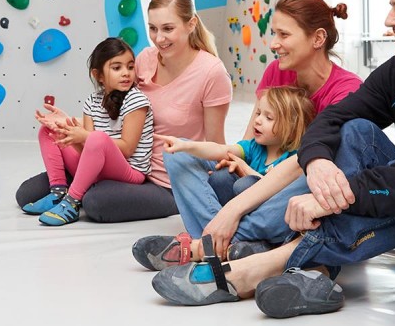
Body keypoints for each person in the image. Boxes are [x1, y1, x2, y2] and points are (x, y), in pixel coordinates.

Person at [150, 0, 395, 315]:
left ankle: (260, 261)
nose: (389, 20)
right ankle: (301, 266)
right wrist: (317, 162)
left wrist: (335, 199)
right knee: (356, 132)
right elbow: (333, 119)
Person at [133, 0, 362, 267]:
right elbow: (251, 136)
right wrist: (236, 160)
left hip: (298, 182)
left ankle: (207, 244)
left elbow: (305, 165)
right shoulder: (277, 71)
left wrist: (232, 210)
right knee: (178, 155)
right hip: (259, 179)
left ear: (317, 38)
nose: (274, 44)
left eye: (284, 35)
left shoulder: (346, 90)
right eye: (274, 33)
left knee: (305, 184)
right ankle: (238, 244)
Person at [14, 0, 231, 222]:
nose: (159, 38)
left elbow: (216, 143)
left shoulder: (212, 73)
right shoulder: (146, 59)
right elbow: (119, 110)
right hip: (119, 159)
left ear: (191, 24)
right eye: (153, 28)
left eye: (168, 29)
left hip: (165, 181)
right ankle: (69, 192)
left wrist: (204, 194)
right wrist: (71, 124)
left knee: (96, 203)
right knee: (27, 194)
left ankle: (76, 195)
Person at [134, 86, 315, 265]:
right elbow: (221, 149)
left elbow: (274, 192)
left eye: (268, 118)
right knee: (178, 156)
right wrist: (184, 146)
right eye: (258, 113)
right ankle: (224, 242)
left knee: (244, 185)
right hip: (230, 217)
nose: (258, 121)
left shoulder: (293, 158)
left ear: (291, 126)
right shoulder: (253, 147)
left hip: (265, 217)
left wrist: (243, 167)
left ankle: (209, 243)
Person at [21, 37, 155, 226]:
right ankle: (58, 192)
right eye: (117, 68)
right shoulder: (92, 101)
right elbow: (87, 149)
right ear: (98, 75)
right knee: (48, 130)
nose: (126, 73)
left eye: (130, 67)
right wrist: (68, 133)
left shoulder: (137, 101)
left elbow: (127, 148)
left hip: (129, 172)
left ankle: (72, 201)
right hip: (98, 169)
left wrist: (85, 136)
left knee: (96, 138)